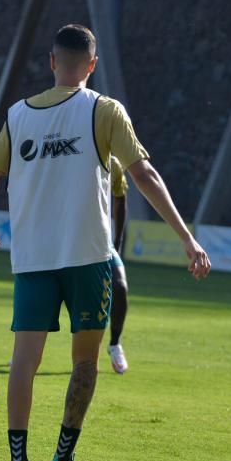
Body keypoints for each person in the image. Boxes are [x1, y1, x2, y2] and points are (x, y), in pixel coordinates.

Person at [0, 24, 210, 461]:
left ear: (52, 62)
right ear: (91, 65)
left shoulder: (18, 115)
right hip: (88, 258)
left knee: (23, 361)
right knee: (84, 363)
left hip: (33, 258)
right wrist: (186, 238)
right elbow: (145, 175)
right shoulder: (104, 109)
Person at [108, 156, 129, 374]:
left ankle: (115, 344)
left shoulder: (113, 162)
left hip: (102, 243)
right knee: (52, 295)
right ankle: (27, 349)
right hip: (66, 240)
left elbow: (120, 198)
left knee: (120, 287)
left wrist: (117, 242)